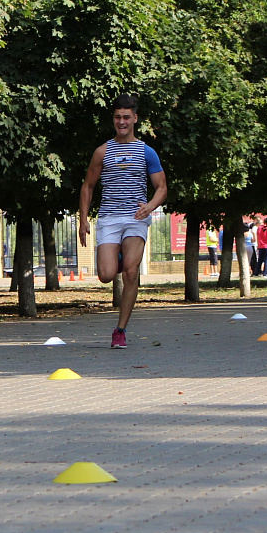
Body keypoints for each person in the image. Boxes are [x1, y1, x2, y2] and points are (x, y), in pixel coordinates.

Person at [79, 94, 168, 349]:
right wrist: (83, 219)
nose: (122, 121)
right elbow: (88, 186)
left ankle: (120, 330)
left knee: (131, 272)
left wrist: (150, 206)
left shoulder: (146, 152)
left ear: (135, 119)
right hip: (109, 218)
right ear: (113, 119)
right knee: (107, 275)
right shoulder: (102, 151)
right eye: (118, 117)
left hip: (135, 219)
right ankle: (115, 255)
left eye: (126, 117)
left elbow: (161, 187)